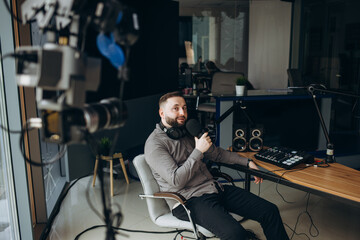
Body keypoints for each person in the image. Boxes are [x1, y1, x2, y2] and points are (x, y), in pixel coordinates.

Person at [144, 91, 290, 240]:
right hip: (188, 201)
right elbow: (176, 180)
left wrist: (247, 162)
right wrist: (198, 151)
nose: (182, 113)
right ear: (162, 113)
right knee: (235, 233)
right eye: (176, 108)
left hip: (214, 188)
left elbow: (217, 154)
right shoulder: (155, 144)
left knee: (269, 210)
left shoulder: (187, 131)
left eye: (184, 108)